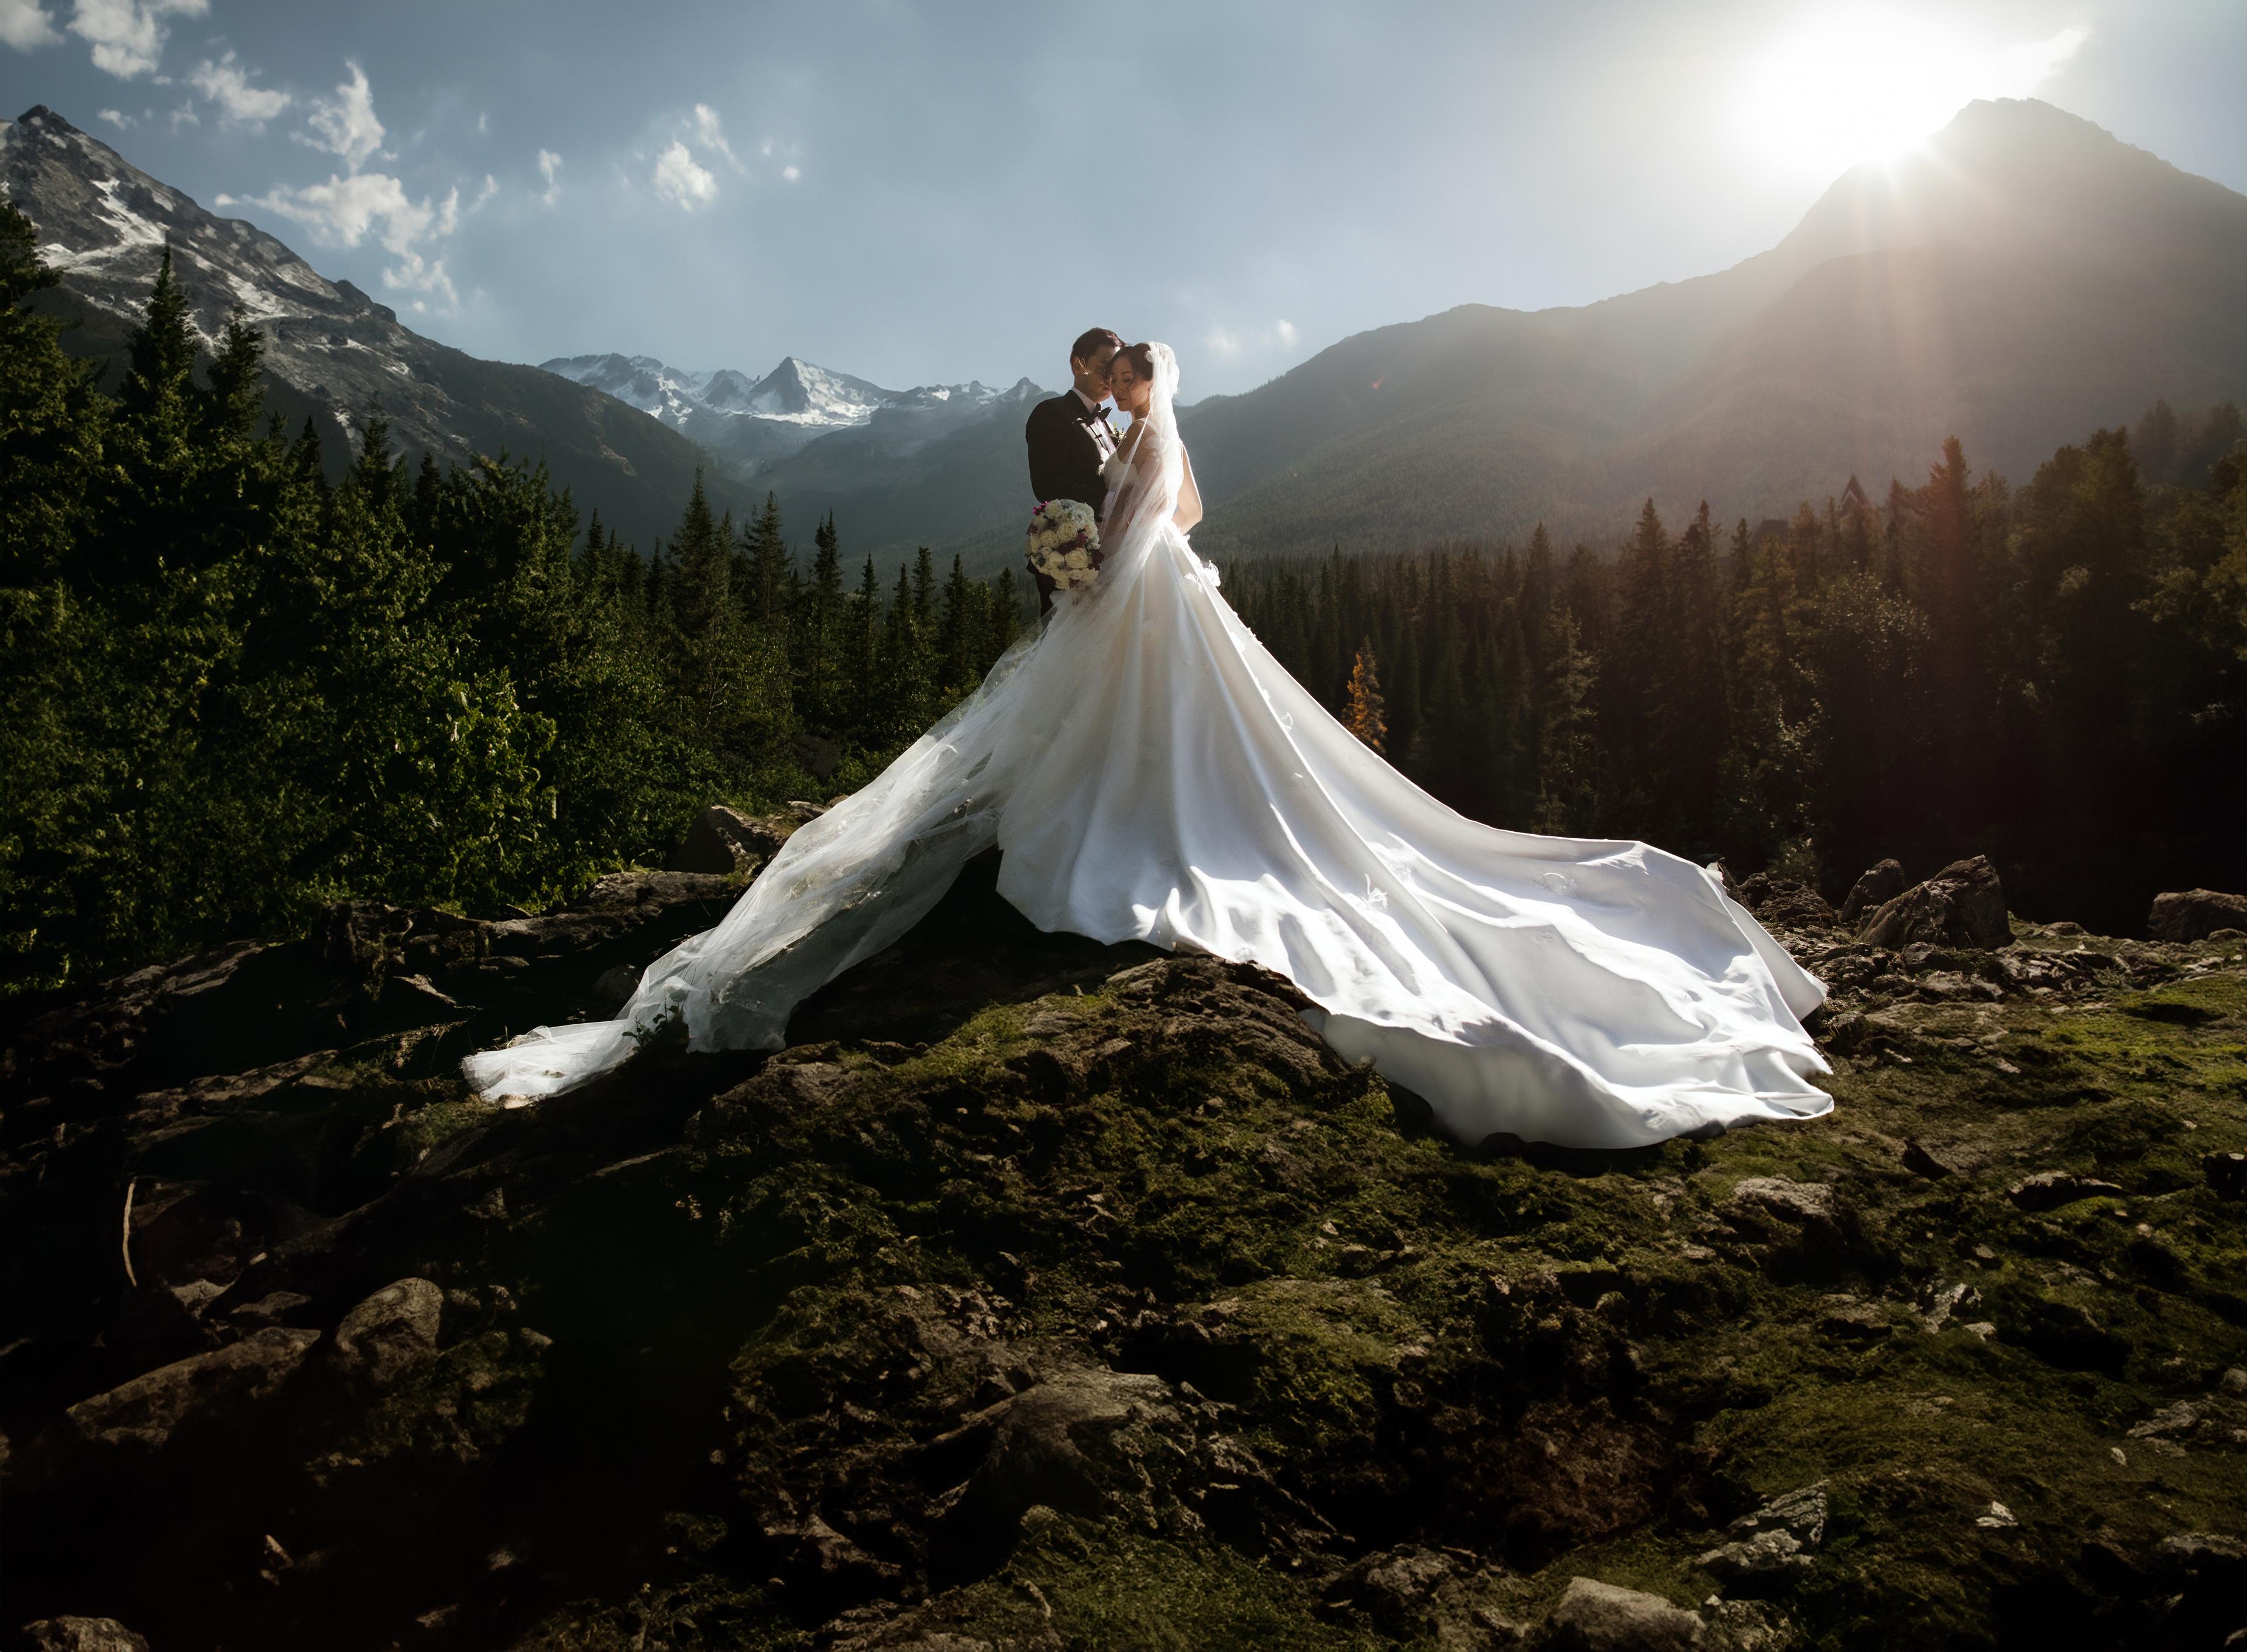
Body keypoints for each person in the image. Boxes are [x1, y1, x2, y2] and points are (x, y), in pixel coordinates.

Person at [466, 342, 1832, 1150]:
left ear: (1136, 379)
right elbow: (1163, 508)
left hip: (1144, 596)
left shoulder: (1133, 434)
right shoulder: (1131, 431)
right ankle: (1145, 813)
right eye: (1110, 376)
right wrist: (1110, 552)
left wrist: (1095, 566)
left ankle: (1141, 827)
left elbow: (1136, 521)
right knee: (1177, 733)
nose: (1114, 389)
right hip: (1156, 594)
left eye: (1123, 374)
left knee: (1149, 743)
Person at [1023, 327, 1120, 620]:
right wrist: (1113, 501)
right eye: (1104, 368)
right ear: (1079, 365)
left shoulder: (1110, 426)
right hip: (1066, 557)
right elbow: (1047, 484)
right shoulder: (1051, 413)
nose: (1111, 379)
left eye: (1115, 372)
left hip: (1112, 553)